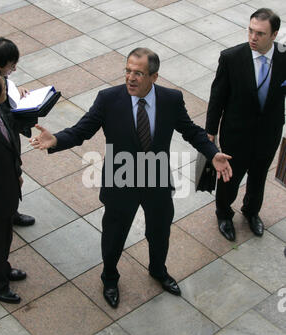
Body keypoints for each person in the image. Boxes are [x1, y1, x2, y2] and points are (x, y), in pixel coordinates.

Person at [30, 48, 232, 308]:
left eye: (138, 73)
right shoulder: (108, 99)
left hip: (156, 181)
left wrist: (212, 153)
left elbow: (191, 131)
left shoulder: (171, 99)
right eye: (127, 71)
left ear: (154, 77)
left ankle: (158, 271)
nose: (131, 78)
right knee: (114, 235)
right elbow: (82, 130)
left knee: (159, 233)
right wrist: (56, 139)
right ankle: (110, 278)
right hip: (120, 182)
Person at [206, 8, 286, 241]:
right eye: (251, 30)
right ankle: (223, 213)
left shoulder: (284, 58)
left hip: (268, 133)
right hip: (236, 134)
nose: (253, 37)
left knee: (259, 176)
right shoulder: (231, 58)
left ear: (274, 35)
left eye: (260, 33)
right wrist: (210, 132)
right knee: (229, 178)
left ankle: (251, 212)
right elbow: (217, 97)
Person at [0, 67, 27, 304]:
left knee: (4, 239)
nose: (8, 88)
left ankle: (1, 268)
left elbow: (10, 143)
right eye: (4, 87)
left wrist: (16, 173)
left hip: (7, 190)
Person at [0, 38, 35, 227]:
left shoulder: (2, 80)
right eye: (10, 67)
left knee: (12, 176)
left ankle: (11, 211)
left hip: (9, 142)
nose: (13, 71)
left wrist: (16, 90)